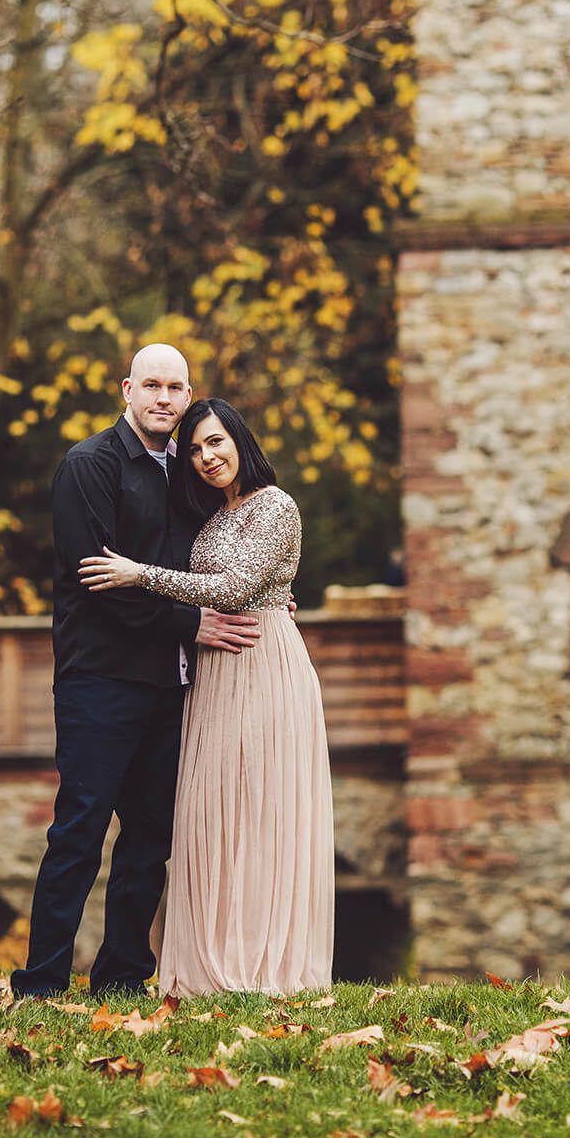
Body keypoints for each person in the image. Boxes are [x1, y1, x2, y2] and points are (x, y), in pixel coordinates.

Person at [10, 346, 264, 1001]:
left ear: (187, 395)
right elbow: (100, 584)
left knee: (150, 837)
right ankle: (40, 983)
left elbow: (225, 550)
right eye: (151, 384)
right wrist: (193, 624)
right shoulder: (88, 466)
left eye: (175, 387)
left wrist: (265, 596)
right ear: (128, 389)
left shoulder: (186, 473)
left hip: (171, 682)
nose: (163, 397)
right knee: (81, 826)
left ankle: (122, 975)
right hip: (101, 679)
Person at [78, 399, 334, 997]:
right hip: (212, 672)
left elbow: (237, 586)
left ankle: (260, 964)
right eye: (194, 450)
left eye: (215, 442)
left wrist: (139, 574)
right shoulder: (211, 515)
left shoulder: (276, 505)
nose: (207, 457)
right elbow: (218, 588)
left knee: (260, 813)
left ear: (240, 439)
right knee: (210, 815)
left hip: (261, 665)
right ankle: (207, 960)